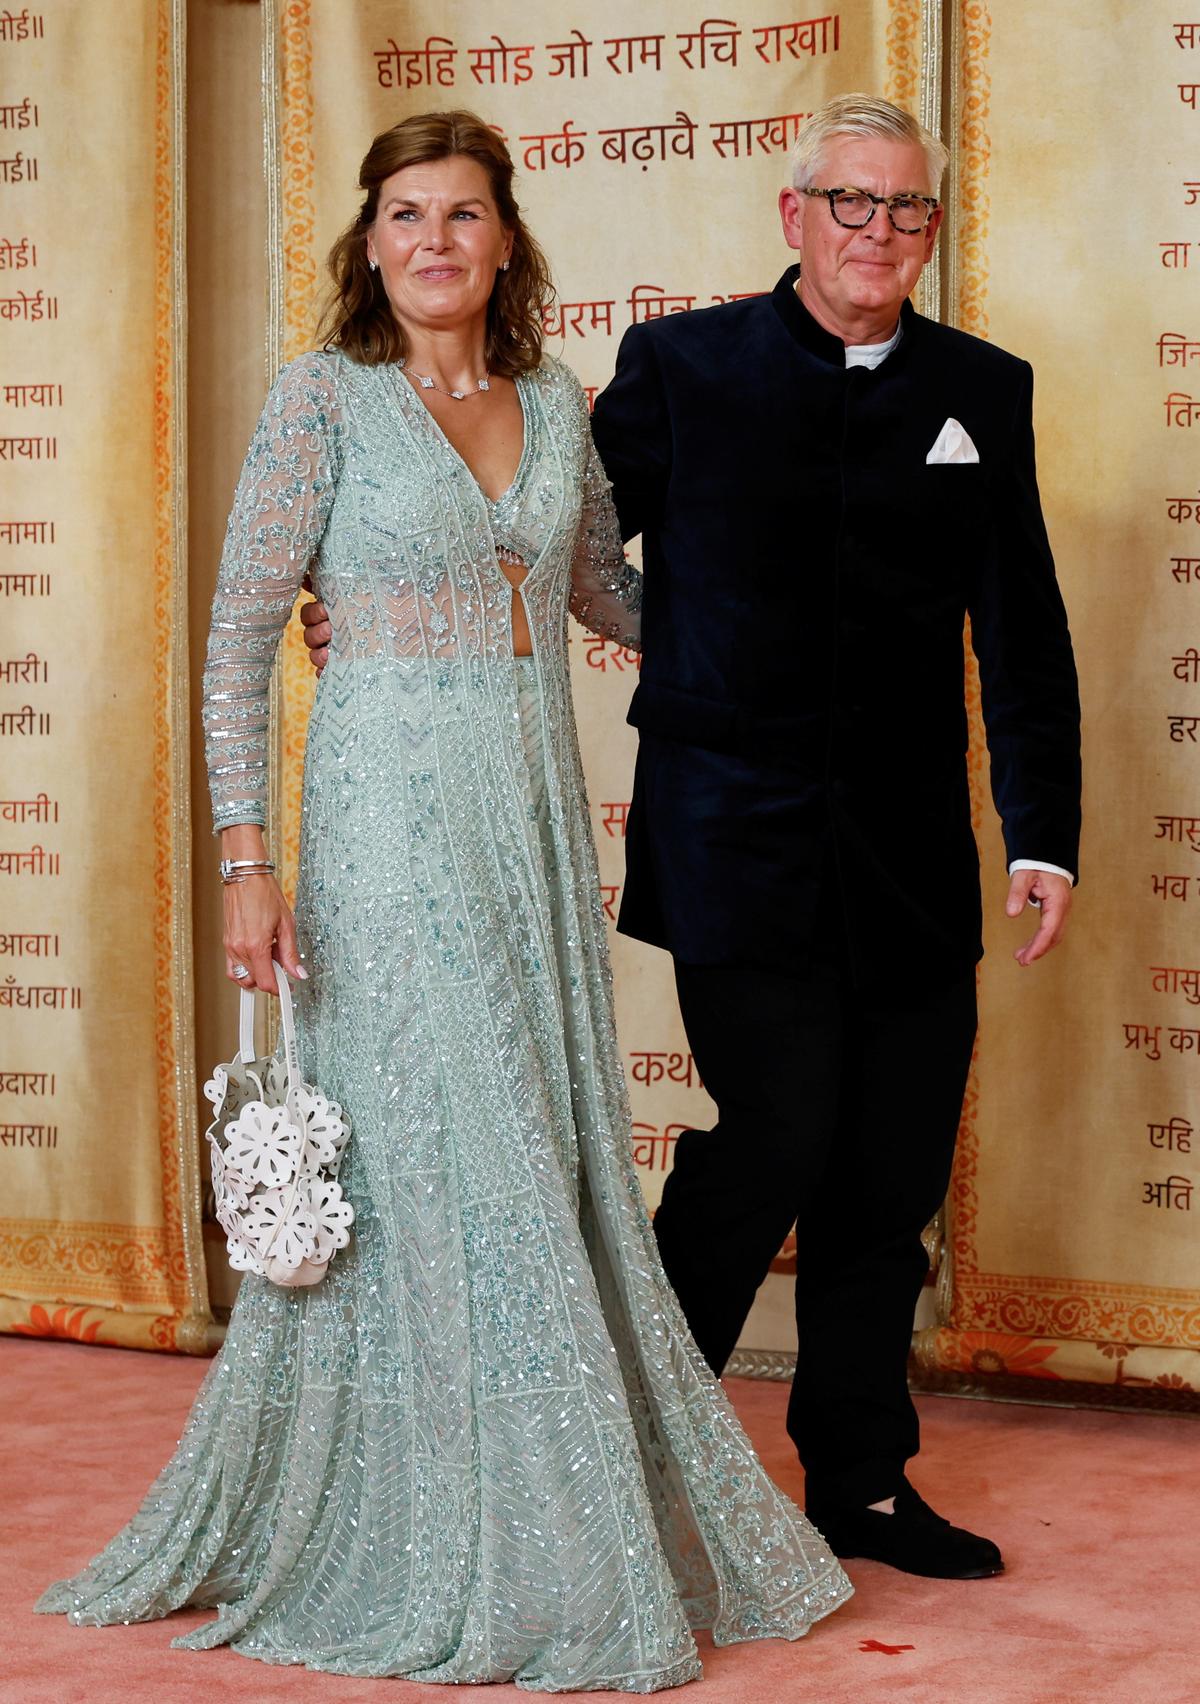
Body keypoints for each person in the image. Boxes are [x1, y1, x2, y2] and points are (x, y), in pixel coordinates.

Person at [36, 112, 850, 1688]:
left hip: (528, 820)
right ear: (370, 240)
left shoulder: (555, 402)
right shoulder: (319, 402)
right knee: (438, 1140)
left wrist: (768, 564)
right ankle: (464, 1524)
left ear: (504, 242)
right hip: (383, 824)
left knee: (528, 1139)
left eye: (462, 215)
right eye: (405, 213)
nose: (433, 241)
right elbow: (236, 645)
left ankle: (543, 1497)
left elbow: (610, 590)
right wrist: (244, 858)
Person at [308, 94, 1081, 1583]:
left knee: (891, 1175)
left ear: (929, 230)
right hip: (737, 841)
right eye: (849, 204)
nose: (877, 234)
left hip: (915, 855)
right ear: (794, 217)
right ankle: (637, 1460)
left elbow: (1024, 632)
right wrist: (381, 599)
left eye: (906, 210)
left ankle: (857, 1481)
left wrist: (1040, 832)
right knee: (775, 1137)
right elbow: (547, 533)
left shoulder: (986, 389)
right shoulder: (684, 367)